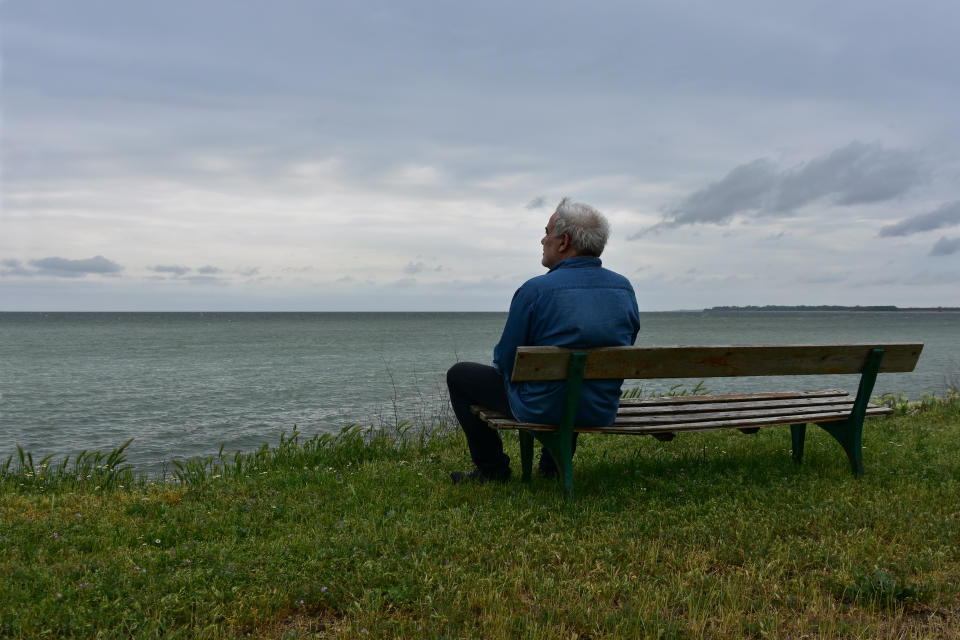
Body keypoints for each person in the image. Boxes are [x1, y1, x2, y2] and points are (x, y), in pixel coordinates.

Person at [447, 197, 641, 483]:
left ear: (563, 242)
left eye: (547, 232)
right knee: (578, 373)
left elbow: (506, 361)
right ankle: (552, 468)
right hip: (599, 408)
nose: (542, 240)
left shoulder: (535, 291)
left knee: (460, 376)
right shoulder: (623, 288)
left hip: (543, 408)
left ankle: (492, 469)